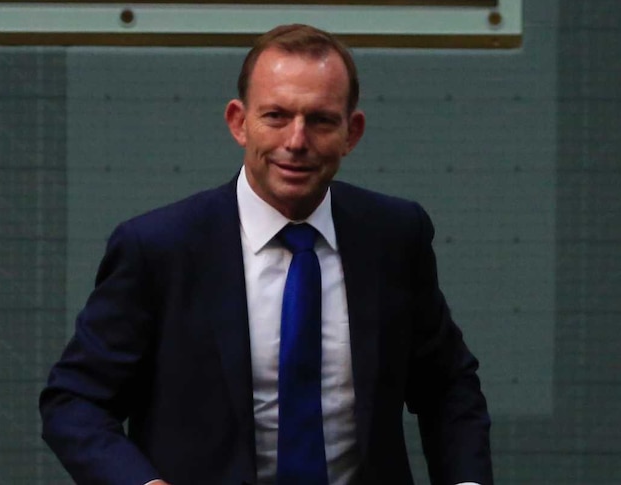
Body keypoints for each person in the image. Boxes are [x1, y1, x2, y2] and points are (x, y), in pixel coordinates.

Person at [40, 24, 493, 485]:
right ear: (239, 121)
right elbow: (75, 401)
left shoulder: (394, 237)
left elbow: (447, 386)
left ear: (351, 132)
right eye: (276, 116)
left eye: (320, 120)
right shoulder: (160, 248)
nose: (296, 141)